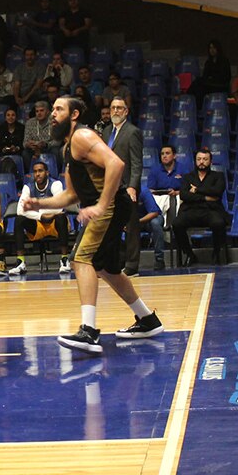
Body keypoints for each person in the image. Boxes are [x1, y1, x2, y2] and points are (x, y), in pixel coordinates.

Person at [23, 97, 164, 354]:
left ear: (74, 114)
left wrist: (100, 205)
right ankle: (147, 320)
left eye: (59, 109)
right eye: (52, 109)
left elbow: (117, 164)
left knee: (80, 259)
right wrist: (39, 203)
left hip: (109, 206)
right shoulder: (68, 147)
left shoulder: (82, 136)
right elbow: (71, 195)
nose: (53, 114)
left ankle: (88, 332)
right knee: (107, 269)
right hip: (110, 206)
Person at [102, 97, 143, 276]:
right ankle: (115, 264)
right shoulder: (106, 131)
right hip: (110, 186)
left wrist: (133, 186)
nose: (116, 111)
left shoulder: (132, 132)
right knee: (112, 227)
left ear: (126, 112)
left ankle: (132, 265)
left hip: (127, 187)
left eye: (119, 108)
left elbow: (136, 163)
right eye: (113, 108)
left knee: (131, 226)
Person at [9, 160, 70, 275]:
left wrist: (36, 209)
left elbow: (60, 207)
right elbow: (20, 210)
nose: (37, 174)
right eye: (35, 171)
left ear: (47, 172)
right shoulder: (28, 187)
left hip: (54, 225)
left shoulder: (56, 184)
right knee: (19, 220)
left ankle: (64, 259)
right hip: (38, 225)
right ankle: (20, 262)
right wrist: (41, 215)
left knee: (61, 217)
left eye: (40, 171)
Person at [173, 148, 229, 266]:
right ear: (195, 161)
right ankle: (189, 254)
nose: (201, 162)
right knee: (177, 224)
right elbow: (184, 195)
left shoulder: (218, 176)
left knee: (218, 223)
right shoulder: (188, 177)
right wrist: (205, 197)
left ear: (210, 161)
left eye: (205, 159)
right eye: (199, 159)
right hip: (191, 210)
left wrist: (197, 190)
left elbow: (217, 191)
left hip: (211, 210)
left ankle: (217, 253)